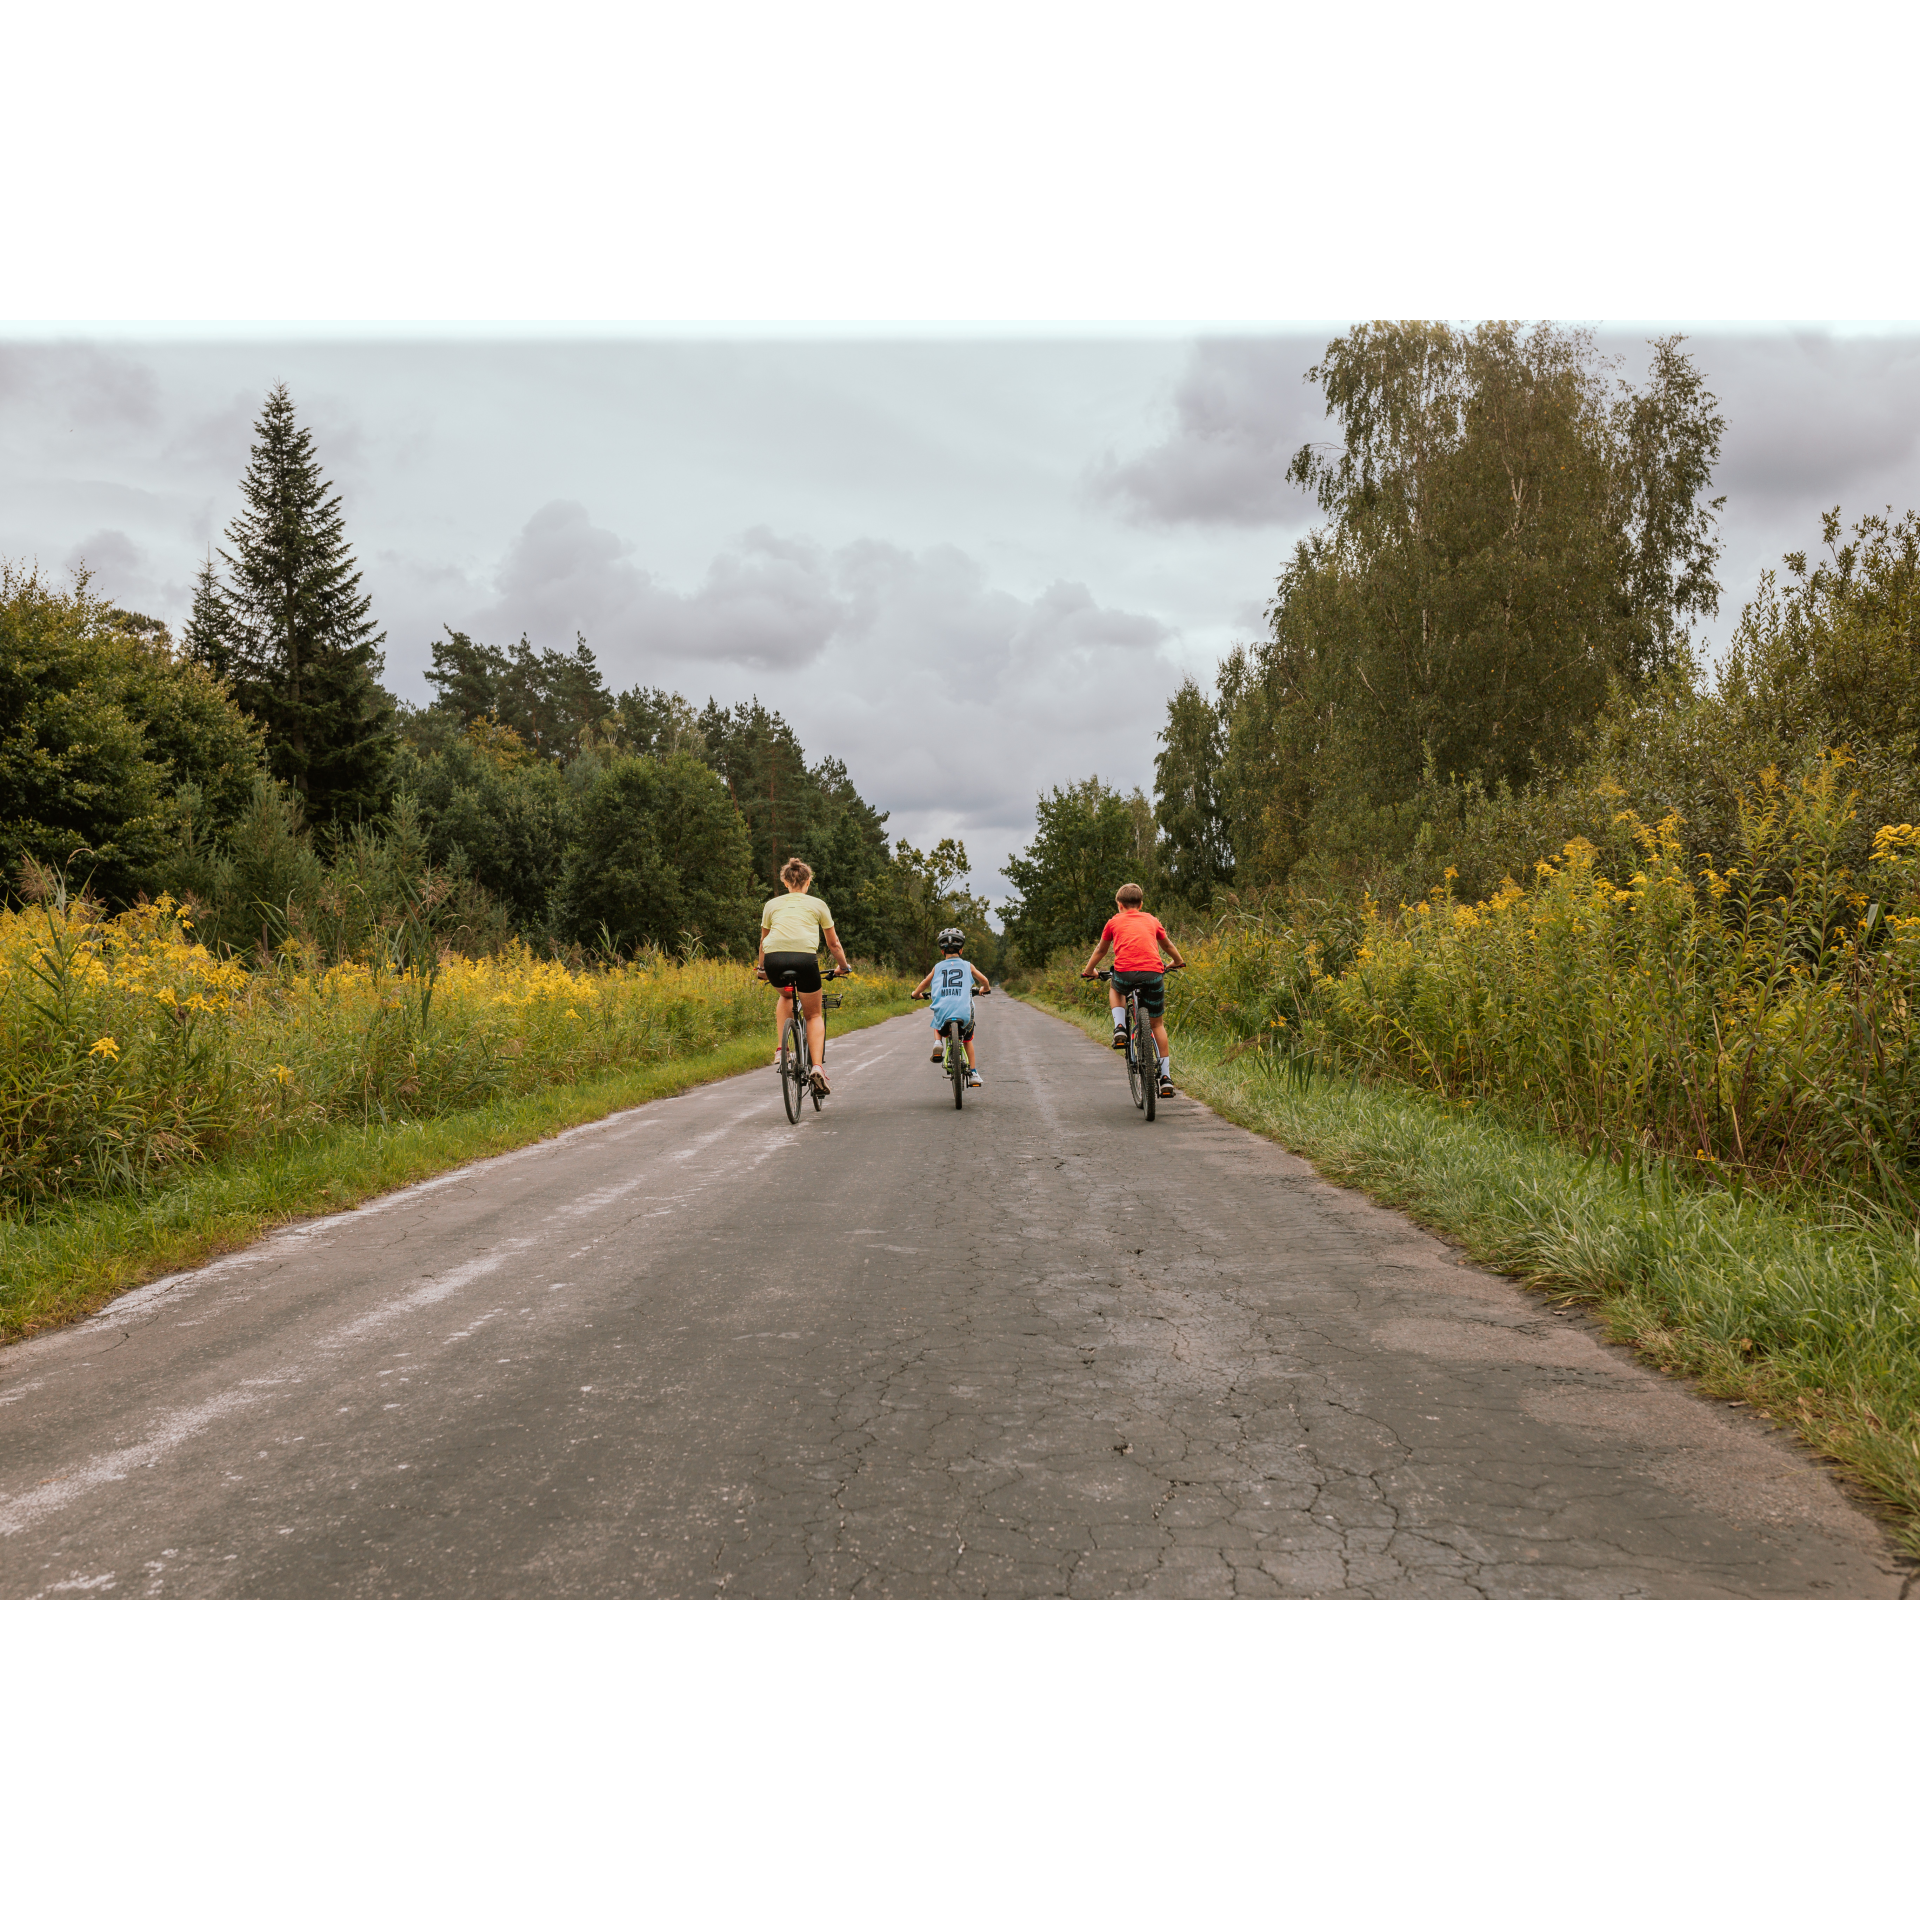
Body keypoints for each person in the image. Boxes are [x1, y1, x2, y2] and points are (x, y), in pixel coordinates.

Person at [758, 857, 854, 1095]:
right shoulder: (818, 904)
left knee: (787, 996)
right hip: (804, 960)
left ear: (785, 881)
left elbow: (763, 942)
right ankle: (818, 1068)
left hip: (774, 960)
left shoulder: (771, 904)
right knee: (812, 1014)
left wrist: (761, 969)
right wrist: (843, 966)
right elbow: (834, 944)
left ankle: (782, 1049)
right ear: (808, 881)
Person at [1079, 882, 1186, 1097]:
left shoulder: (1113, 922)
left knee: (1116, 988)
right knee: (1157, 1024)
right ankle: (1165, 1078)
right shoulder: (1152, 920)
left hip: (1125, 974)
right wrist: (1178, 961)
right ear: (1141, 904)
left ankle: (1120, 1027)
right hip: (1153, 974)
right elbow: (1167, 946)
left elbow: (1101, 949)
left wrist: (1089, 970)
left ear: (1119, 905)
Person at [911, 927, 991, 1089]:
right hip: (964, 1014)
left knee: (937, 1020)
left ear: (942, 952)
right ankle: (974, 1072)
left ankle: (937, 1042)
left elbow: (924, 984)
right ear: (961, 950)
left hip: (944, 1012)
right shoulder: (968, 965)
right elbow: (985, 981)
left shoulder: (938, 967)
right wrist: (985, 989)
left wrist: (916, 994)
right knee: (968, 1040)